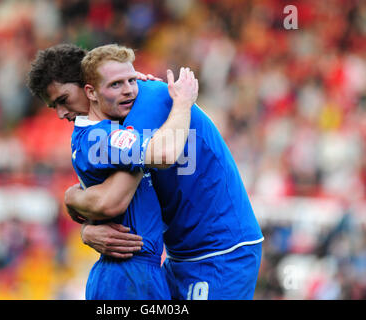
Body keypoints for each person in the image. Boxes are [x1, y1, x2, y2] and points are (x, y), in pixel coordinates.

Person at [27, 43, 264, 300]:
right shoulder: (111, 124)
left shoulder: (142, 104)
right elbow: (104, 192)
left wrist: (73, 202)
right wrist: (82, 218)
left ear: (88, 86)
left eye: (63, 100)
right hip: (180, 254)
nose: (61, 113)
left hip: (221, 249)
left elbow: (112, 198)